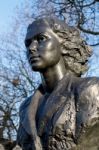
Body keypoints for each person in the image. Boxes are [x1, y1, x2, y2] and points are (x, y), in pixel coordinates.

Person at [17, 17, 99, 150]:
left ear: (64, 44)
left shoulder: (89, 89)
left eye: (41, 39)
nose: (31, 48)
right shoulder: (25, 107)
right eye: (28, 43)